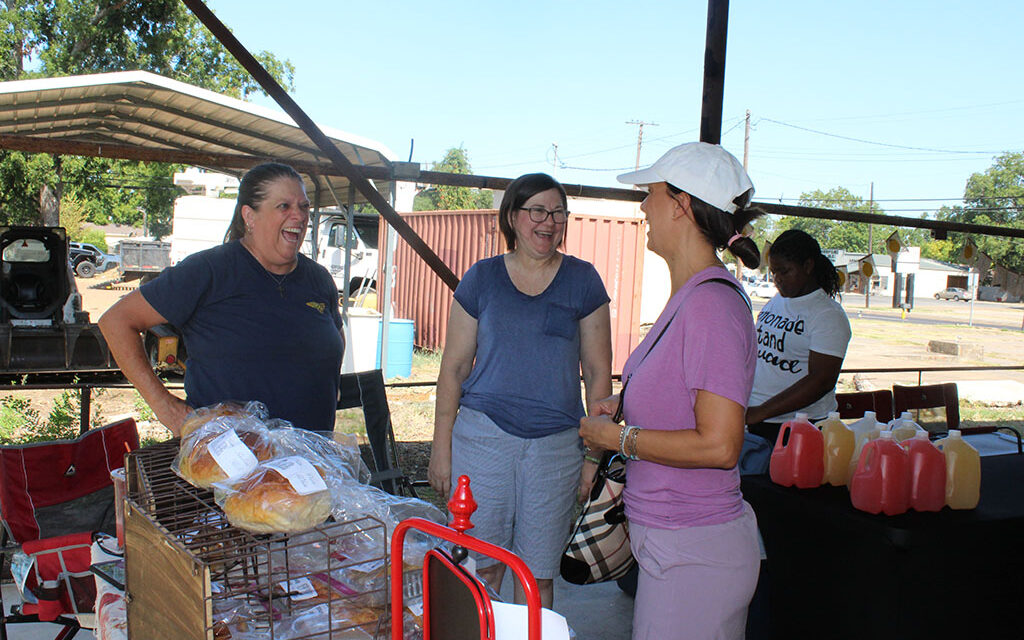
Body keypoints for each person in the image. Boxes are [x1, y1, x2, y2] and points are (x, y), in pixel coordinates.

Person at [579, 142, 762, 640]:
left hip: (694, 553)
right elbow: (685, 397)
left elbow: (720, 445)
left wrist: (615, 438)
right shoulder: (692, 297)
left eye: (651, 194)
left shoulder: (711, 307)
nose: (643, 207)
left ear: (682, 205)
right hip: (675, 546)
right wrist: (626, 405)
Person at [427, 172, 612, 608]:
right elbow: (452, 368)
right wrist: (441, 447)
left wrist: (592, 459)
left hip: (555, 449)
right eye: (537, 211)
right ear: (513, 216)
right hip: (482, 440)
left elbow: (599, 376)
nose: (548, 222)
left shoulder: (584, 281)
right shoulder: (482, 278)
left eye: (558, 212)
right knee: (482, 567)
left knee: (537, 575)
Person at [99, 163, 344, 436]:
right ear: (250, 216)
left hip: (311, 464)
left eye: (304, 207)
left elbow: (336, 338)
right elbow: (116, 321)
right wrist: (166, 408)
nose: (298, 216)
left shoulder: (319, 280)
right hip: (229, 464)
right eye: (284, 206)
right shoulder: (209, 271)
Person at [745, 229, 852, 444]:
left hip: (799, 426)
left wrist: (761, 412)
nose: (777, 279)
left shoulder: (827, 315)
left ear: (808, 266)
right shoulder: (778, 301)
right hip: (757, 417)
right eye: (774, 272)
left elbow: (822, 380)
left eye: (785, 271)